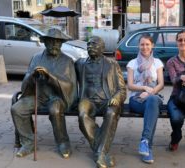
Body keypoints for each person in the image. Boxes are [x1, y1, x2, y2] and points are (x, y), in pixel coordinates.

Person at [11, 28, 77, 158]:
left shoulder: (67, 61)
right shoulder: (36, 58)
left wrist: (49, 76)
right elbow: (25, 81)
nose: (54, 45)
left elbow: (69, 85)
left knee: (55, 110)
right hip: (38, 96)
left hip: (57, 98)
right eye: (51, 42)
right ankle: (28, 143)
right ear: (45, 42)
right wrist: (32, 76)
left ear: (62, 43)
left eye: (58, 42)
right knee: (17, 109)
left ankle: (63, 143)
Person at [75, 36, 126, 168]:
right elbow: (65, 74)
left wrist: (117, 98)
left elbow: (122, 88)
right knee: (82, 114)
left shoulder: (112, 64)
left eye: (94, 44)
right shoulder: (80, 64)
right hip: (88, 99)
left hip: (107, 100)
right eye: (88, 44)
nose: (90, 46)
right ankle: (101, 152)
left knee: (111, 114)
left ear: (103, 48)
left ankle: (100, 153)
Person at [127, 34, 164, 164]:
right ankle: (147, 147)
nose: (145, 47)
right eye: (142, 44)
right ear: (138, 46)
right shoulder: (132, 63)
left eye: (147, 44)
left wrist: (149, 92)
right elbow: (130, 85)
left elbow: (161, 84)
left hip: (153, 97)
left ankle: (145, 141)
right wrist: (143, 88)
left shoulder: (157, 62)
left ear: (152, 45)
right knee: (152, 108)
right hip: (136, 100)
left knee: (153, 101)